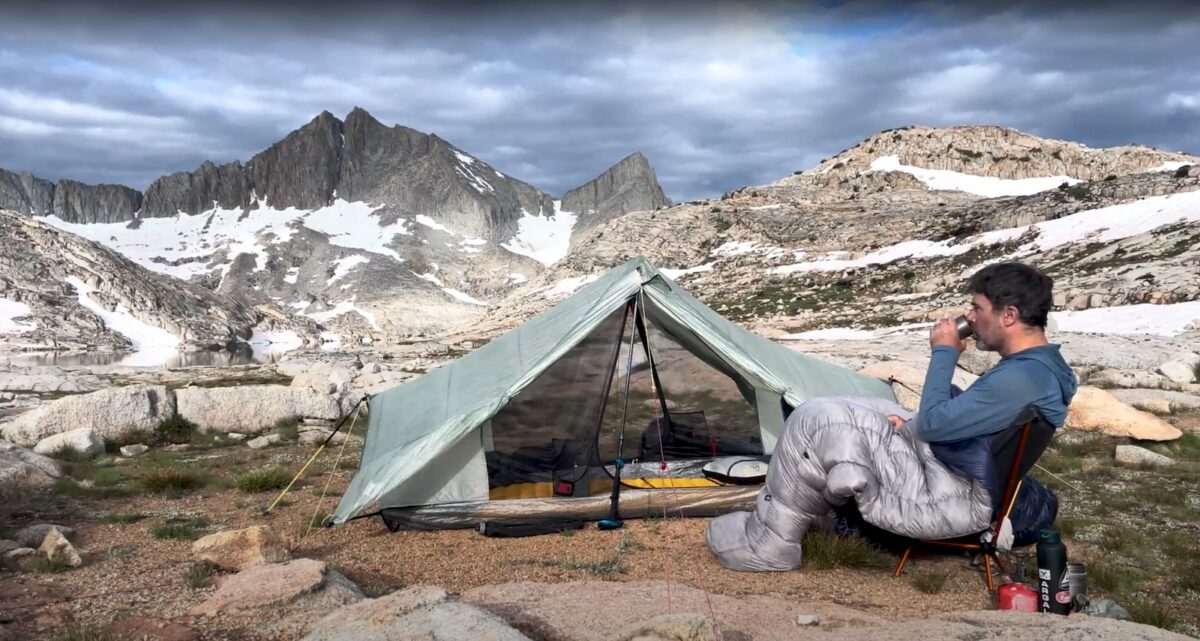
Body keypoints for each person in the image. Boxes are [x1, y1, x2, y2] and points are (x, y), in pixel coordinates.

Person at [888, 261, 1078, 442]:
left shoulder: (1019, 378)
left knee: (864, 416)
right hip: (970, 466)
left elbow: (929, 427)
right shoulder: (1042, 368)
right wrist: (909, 428)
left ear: (1009, 315)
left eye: (977, 308)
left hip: (954, 474)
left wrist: (944, 351)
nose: (970, 317)